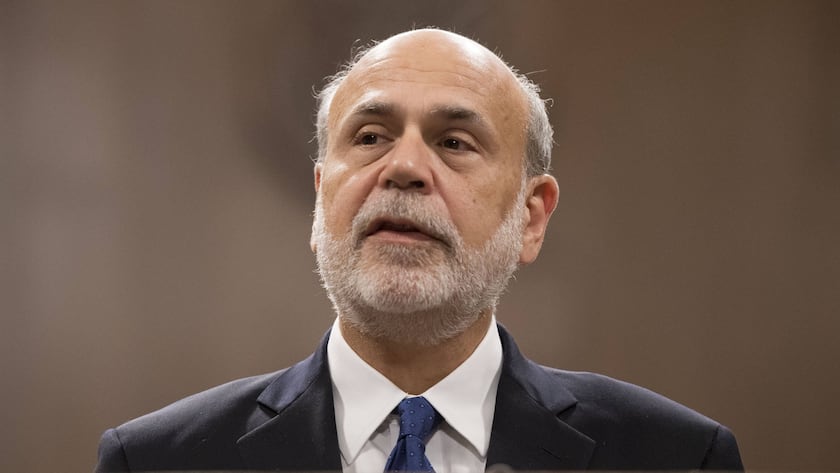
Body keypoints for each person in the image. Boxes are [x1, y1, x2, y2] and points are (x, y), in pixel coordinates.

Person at [96, 29, 743, 472]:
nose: (404, 166)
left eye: (455, 141)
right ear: (323, 198)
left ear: (531, 216)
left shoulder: (675, 454)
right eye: (371, 135)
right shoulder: (156, 459)